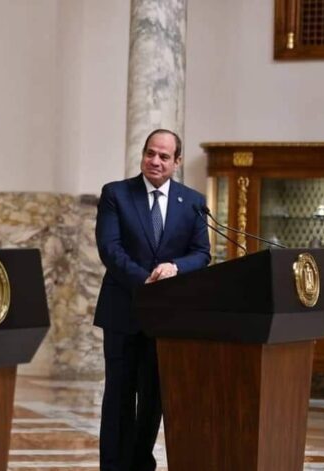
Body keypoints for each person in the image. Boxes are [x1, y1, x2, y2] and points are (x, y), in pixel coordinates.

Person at [94, 129, 211, 471]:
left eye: (163, 156)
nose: (155, 161)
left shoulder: (192, 202)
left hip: (166, 317)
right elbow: (110, 249)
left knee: (153, 397)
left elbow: (201, 253)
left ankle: (140, 464)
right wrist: (145, 280)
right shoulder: (116, 194)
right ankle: (113, 466)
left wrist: (176, 267)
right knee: (119, 393)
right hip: (123, 310)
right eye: (150, 153)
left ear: (177, 162)